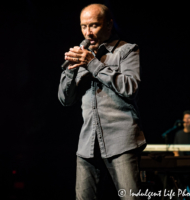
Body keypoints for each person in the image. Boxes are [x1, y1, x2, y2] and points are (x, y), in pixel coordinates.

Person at [58, 4, 146, 199]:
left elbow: (130, 88)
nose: (87, 32)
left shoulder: (127, 50)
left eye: (94, 25)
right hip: (88, 143)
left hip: (121, 141)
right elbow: (65, 100)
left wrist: (93, 64)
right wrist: (70, 72)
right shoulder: (82, 53)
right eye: (83, 26)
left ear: (108, 25)